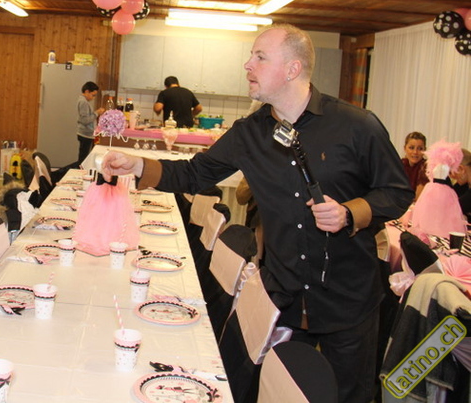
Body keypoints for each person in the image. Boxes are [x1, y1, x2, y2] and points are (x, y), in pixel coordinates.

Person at [103, 24, 412, 403]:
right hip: (282, 298)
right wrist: (138, 165)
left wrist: (350, 212)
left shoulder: (356, 125)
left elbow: (397, 192)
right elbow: (195, 173)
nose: (247, 64)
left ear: (293, 69)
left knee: (350, 397)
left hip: (348, 299)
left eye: (260, 57)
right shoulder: (249, 133)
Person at [76, 81, 105, 164]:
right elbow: (85, 120)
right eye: (93, 95)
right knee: (83, 159)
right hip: (85, 134)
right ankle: (77, 171)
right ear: (87, 91)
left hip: (86, 134)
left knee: (84, 157)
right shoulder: (83, 102)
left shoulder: (83, 101)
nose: (93, 98)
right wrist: (97, 113)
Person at [401, 131, 428, 200]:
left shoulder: (426, 167)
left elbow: (418, 199)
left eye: (420, 149)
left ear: (425, 150)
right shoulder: (399, 164)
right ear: (405, 148)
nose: (415, 152)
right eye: (411, 148)